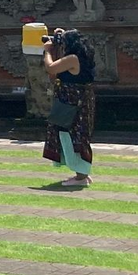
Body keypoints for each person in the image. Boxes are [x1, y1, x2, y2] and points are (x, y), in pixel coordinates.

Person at [42, 27, 96, 187]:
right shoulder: (82, 55)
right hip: (75, 100)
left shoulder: (73, 58)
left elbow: (51, 68)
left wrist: (47, 51)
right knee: (71, 134)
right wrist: (61, 35)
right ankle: (81, 174)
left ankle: (81, 177)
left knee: (74, 135)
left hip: (73, 101)